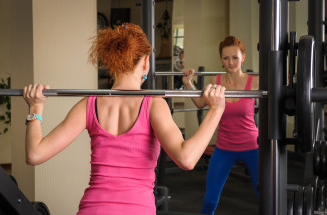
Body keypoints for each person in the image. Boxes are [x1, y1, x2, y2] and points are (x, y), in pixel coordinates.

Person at [22, 23, 226, 215]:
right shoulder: (153, 104)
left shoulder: (90, 103)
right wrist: (215, 109)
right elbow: (187, 159)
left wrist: (36, 107)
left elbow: (35, 154)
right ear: (145, 61)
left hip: (93, 209)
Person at [182, 35, 259, 214]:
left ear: (243, 57)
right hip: (224, 148)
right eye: (226, 58)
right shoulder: (215, 82)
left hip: (252, 146)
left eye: (234, 57)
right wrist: (189, 84)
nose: (230, 62)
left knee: (263, 196)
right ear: (221, 59)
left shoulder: (254, 82)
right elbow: (201, 103)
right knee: (210, 200)